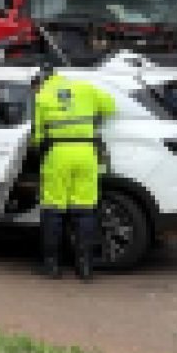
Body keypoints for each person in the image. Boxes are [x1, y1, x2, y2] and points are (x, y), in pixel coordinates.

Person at [33, 66, 116, 280]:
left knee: (53, 210)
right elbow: (110, 108)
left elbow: (38, 136)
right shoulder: (85, 88)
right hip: (86, 154)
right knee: (85, 210)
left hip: (58, 155)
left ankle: (52, 266)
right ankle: (85, 267)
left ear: (42, 81)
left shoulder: (42, 97)